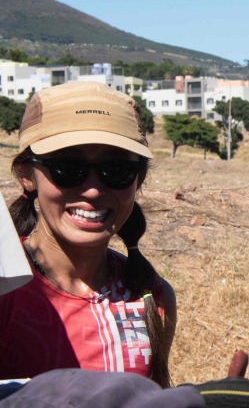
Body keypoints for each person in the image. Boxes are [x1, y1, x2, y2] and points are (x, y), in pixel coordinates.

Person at [0, 80, 176, 387]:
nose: (93, 189)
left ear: (139, 179)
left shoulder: (151, 296)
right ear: (27, 176)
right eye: (67, 168)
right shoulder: (5, 287)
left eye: (117, 170)